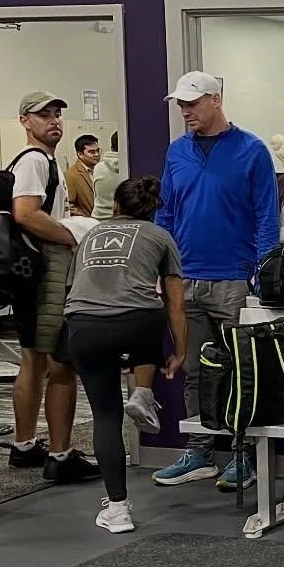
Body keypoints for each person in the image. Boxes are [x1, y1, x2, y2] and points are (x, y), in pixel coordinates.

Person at [153, 71, 279, 491]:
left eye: (192, 103)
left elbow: (266, 217)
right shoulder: (177, 152)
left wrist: (261, 271)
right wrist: (161, 266)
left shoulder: (252, 150)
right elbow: (166, 213)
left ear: (216, 100)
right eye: (181, 105)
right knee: (194, 369)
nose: (185, 111)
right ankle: (201, 450)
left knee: (243, 370)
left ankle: (245, 455)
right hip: (185, 277)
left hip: (233, 279)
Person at [64, 177, 186, 535]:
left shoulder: (89, 235)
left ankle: (117, 509)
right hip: (138, 324)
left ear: (115, 207)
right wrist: (178, 351)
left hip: (84, 324)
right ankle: (144, 392)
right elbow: (175, 304)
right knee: (145, 313)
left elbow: (72, 289)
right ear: (152, 210)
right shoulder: (160, 237)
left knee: (105, 416)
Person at [7, 92, 100, 486]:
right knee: (62, 364)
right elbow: (25, 214)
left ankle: (25, 445)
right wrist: (70, 236)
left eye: (57, 114)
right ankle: (60, 455)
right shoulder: (34, 161)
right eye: (43, 115)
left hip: (30, 274)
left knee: (34, 359)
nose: (54, 121)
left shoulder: (37, 162)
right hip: (45, 274)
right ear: (25, 121)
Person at [66, 135, 101, 217]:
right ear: (80, 154)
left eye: (98, 151)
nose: (97, 154)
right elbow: (68, 205)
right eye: (92, 152)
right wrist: (86, 218)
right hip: (87, 223)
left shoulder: (101, 170)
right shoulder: (71, 175)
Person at [92, 133, 121, 222]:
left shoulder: (98, 167)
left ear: (112, 147)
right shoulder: (130, 167)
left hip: (98, 221)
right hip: (122, 222)